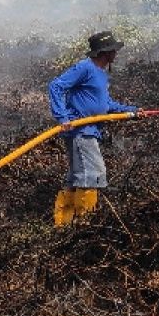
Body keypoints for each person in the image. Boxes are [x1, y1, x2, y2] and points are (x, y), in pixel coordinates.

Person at [48, 30, 137, 226]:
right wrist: (62, 117)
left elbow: (105, 104)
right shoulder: (85, 68)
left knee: (77, 178)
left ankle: (63, 225)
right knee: (92, 175)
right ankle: (85, 225)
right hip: (82, 131)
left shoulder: (101, 74)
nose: (116, 53)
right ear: (105, 52)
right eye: (114, 50)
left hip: (89, 131)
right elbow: (55, 86)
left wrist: (132, 111)